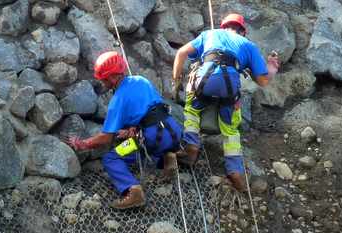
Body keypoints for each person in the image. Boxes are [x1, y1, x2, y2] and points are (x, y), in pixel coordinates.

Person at [65, 51, 199, 210]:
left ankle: (134, 191)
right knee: (146, 146)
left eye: (104, 79)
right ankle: (169, 155)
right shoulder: (141, 80)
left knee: (111, 158)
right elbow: (151, 108)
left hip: (152, 137)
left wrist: (84, 144)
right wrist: (132, 127)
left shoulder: (118, 99)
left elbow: (106, 138)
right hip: (173, 130)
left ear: (113, 77)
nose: (103, 82)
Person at [171, 13, 280, 192]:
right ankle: (235, 171)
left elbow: (182, 53)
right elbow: (263, 81)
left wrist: (176, 81)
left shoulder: (209, 34)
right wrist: (272, 67)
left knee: (191, 108)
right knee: (231, 128)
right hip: (229, 85)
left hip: (205, 79)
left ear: (224, 27)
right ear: (243, 31)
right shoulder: (248, 45)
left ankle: (191, 146)